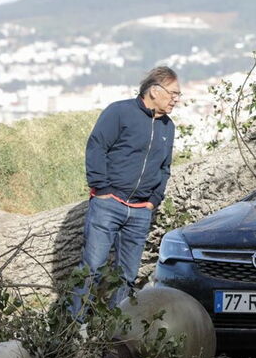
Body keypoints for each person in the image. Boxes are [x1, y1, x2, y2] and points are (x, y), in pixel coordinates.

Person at [68, 66, 180, 320]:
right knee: (92, 268)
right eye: (173, 93)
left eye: (178, 94)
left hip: (141, 212)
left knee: (127, 276)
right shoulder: (119, 112)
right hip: (109, 204)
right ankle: (73, 328)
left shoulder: (167, 126)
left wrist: (154, 200)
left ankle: (114, 333)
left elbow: (165, 167)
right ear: (154, 90)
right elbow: (96, 147)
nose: (176, 99)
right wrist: (102, 189)